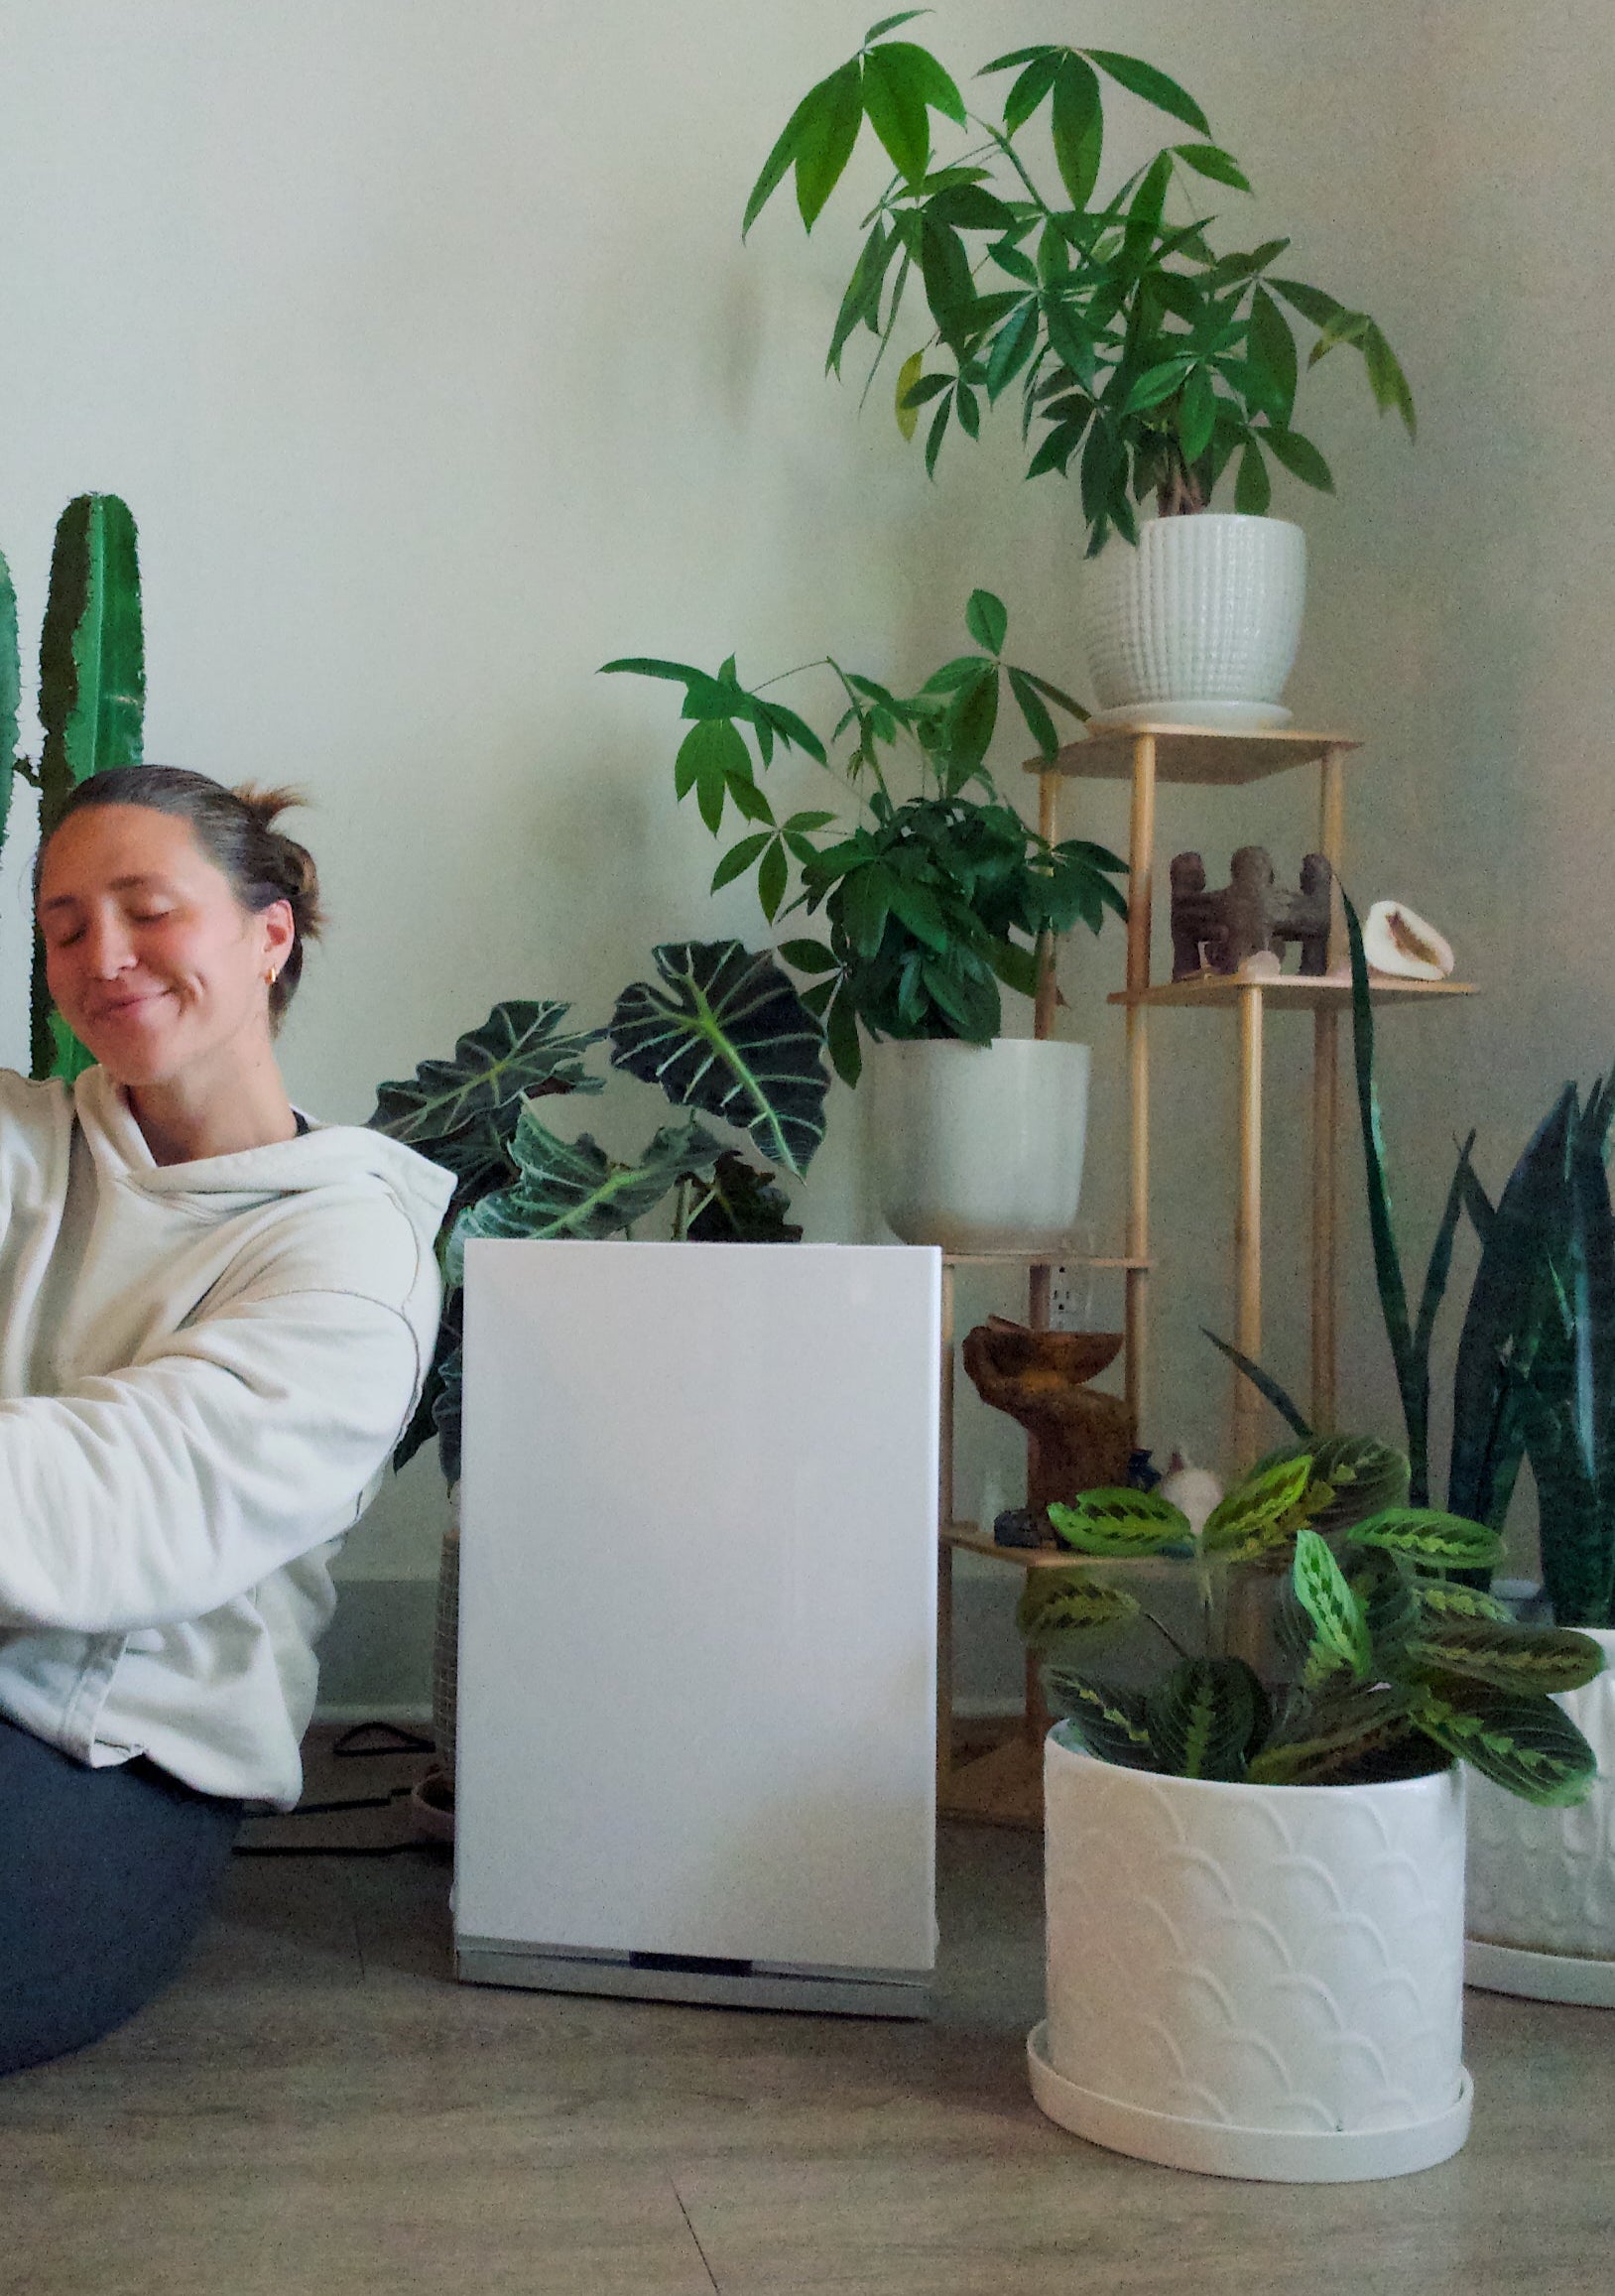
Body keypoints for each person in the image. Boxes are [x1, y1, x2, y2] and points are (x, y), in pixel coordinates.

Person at [0, 765, 452, 2076]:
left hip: (110, 1765)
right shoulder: (26, 1145)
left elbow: (108, 1509)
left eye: (148, 909)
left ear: (270, 934)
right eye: (66, 923)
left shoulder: (352, 1266)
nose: (105, 954)